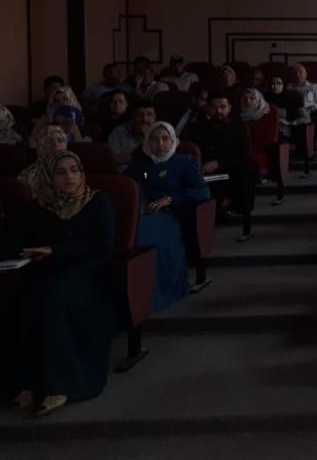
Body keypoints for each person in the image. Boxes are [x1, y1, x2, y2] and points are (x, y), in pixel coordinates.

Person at [0, 151, 116, 416]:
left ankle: (59, 385)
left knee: (52, 300)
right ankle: (27, 382)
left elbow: (102, 246)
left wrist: (55, 250)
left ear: (82, 173)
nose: (69, 177)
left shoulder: (99, 202)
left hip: (89, 273)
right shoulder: (40, 206)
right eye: (61, 172)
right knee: (17, 298)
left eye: (74, 170)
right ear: (49, 178)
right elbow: (19, 240)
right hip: (47, 271)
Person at [126, 123, 212, 309]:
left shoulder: (185, 162)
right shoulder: (141, 165)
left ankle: (158, 295)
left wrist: (171, 199)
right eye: (155, 139)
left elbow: (203, 192)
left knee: (144, 235)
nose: (160, 144)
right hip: (143, 213)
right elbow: (128, 185)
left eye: (165, 139)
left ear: (173, 141)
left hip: (174, 214)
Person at [183, 92, 254, 242]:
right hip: (204, 170)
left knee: (245, 174)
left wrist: (219, 163)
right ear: (208, 108)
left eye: (222, 107)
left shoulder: (239, 126)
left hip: (232, 169)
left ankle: (243, 224)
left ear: (229, 108)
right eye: (214, 107)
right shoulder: (198, 127)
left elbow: (243, 155)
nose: (218, 111)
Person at [240, 88, 278, 183]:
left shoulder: (267, 111)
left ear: (258, 99)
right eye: (245, 99)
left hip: (264, 146)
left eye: (252, 98)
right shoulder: (241, 115)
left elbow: (271, 137)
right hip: (246, 147)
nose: (248, 101)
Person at [18, 126, 68, 198]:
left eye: (60, 141)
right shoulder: (28, 175)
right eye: (50, 141)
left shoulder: (75, 170)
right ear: (41, 146)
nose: (56, 145)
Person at [289, 64, 317, 154]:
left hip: (310, 113)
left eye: (300, 72)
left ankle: (307, 152)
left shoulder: (314, 87)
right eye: (295, 73)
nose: (298, 75)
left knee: (306, 122)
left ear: (306, 74)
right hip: (293, 112)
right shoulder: (289, 87)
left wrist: (313, 107)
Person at [107, 100, 156, 167]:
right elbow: (111, 159)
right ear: (132, 118)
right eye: (140, 115)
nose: (145, 119)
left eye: (149, 114)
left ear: (155, 118)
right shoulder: (119, 132)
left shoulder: (161, 135)